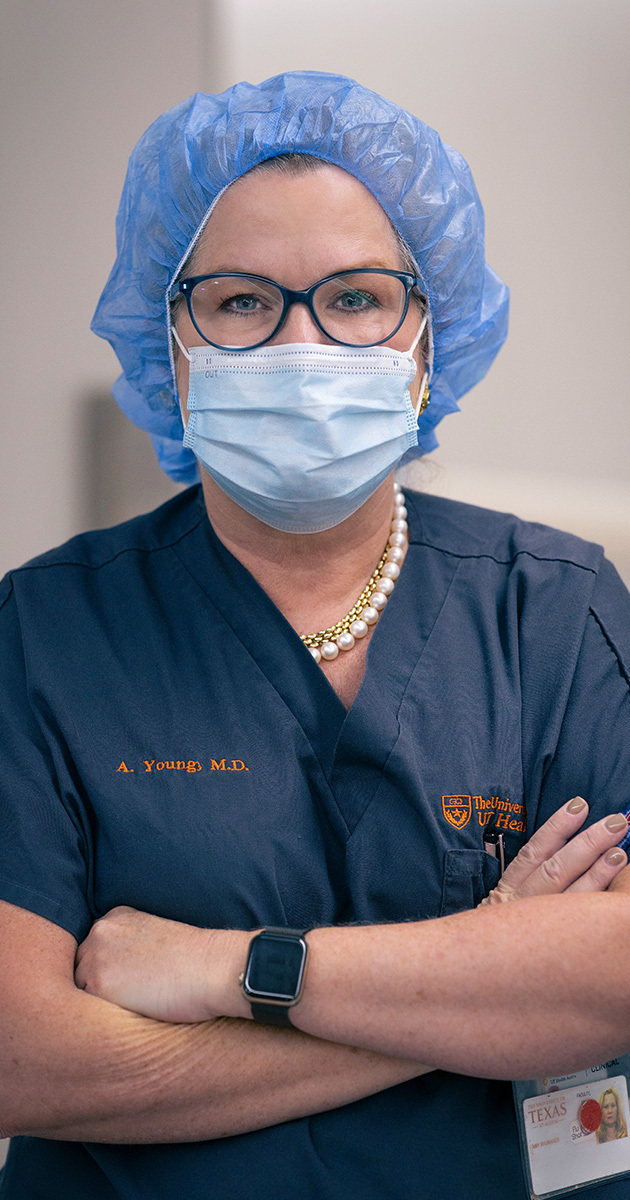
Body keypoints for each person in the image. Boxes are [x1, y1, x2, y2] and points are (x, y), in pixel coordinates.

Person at [0, 71, 629, 1200]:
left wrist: (228, 970)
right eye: (240, 301)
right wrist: (482, 978)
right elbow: (22, 1058)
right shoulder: (45, 634)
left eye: (355, 298)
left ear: (428, 340)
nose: (303, 342)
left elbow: (612, 980)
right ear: (171, 344)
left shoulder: (556, 610)